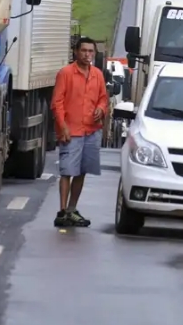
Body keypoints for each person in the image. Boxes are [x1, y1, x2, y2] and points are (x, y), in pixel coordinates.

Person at [50, 37, 109, 227]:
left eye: (91, 51)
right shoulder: (66, 73)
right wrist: (63, 126)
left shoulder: (98, 75)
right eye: (84, 51)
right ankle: (62, 212)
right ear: (76, 52)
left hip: (91, 131)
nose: (87, 55)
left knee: (82, 171)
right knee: (67, 171)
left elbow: (103, 98)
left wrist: (101, 109)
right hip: (72, 130)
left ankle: (72, 209)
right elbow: (56, 103)